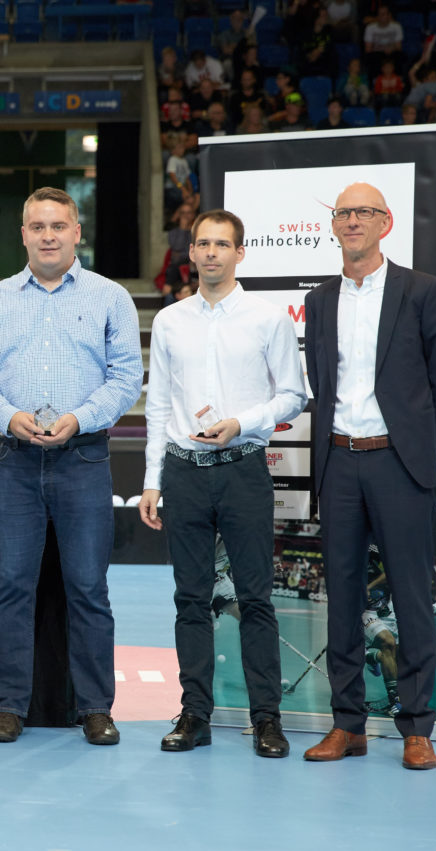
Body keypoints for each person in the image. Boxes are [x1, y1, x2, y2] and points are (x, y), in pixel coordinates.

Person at [0, 187, 143, 744]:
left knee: (88, 586)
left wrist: (81, 418)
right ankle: (10, 705)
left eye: (58, 226)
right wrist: (8, 416)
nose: (48, 236)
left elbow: (126, 376)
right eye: (37, 226)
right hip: (13, 458)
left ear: (76, 232)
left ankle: (95, 707)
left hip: (83, 457)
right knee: (12, 586)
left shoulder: (111, 297)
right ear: (22, 234)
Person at [301, 183, 436, 770]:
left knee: (413, 598)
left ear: (386, 223)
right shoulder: (319, 301)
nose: (353, 221)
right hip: (339, 461)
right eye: (343, 212)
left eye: (364, 212)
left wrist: (418, 449)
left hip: (399, 461)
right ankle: (349, 725)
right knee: (340, 597)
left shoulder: (423, 291)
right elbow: (322, 382)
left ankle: (416, 726)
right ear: (334, 225)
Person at [138, 209, 306, 758]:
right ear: (191, 253)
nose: (211, 253)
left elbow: (293, 395)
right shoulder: (169, 321)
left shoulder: (268, 319)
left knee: (256, 599)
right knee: (191, 601)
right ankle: (194, 715)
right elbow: (158, 405)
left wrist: (244, 422)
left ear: (240, 253)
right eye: (202, 244)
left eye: (222, 244)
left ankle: (266, 719)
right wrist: (151, 480)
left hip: (244, 469)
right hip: (184, 473)